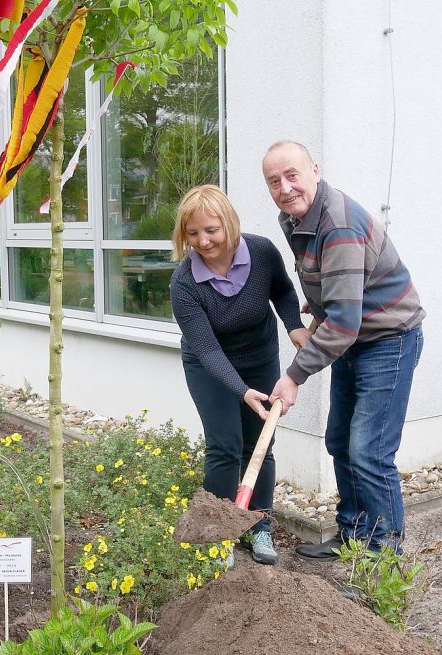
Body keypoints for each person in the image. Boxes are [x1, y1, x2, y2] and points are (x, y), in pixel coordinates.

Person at [261, 141, 426, 558]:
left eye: (292, 175)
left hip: (389, 340)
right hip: (356, 340)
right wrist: (319, 306)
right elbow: (330, 286)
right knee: (340, 441)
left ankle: (384, 558)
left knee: (369, 452)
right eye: (274, 181)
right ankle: (353, 536)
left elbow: (344, 324)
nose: (285, 187)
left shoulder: (338, 225)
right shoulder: (297, 216)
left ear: (314, 169)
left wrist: (294, 375)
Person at [169, 184, 309, 567]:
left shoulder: (261, 251)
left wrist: (294, 327)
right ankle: (216, 537)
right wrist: (242, 391)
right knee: (225, 447)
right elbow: (208, 350)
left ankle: (258, 524)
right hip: (209, 365)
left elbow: (281, 291)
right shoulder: (184, 283)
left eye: (210, 230)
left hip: (259, 356)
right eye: (192, 233)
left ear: (229, 224)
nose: (203, 241)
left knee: (260, 443)